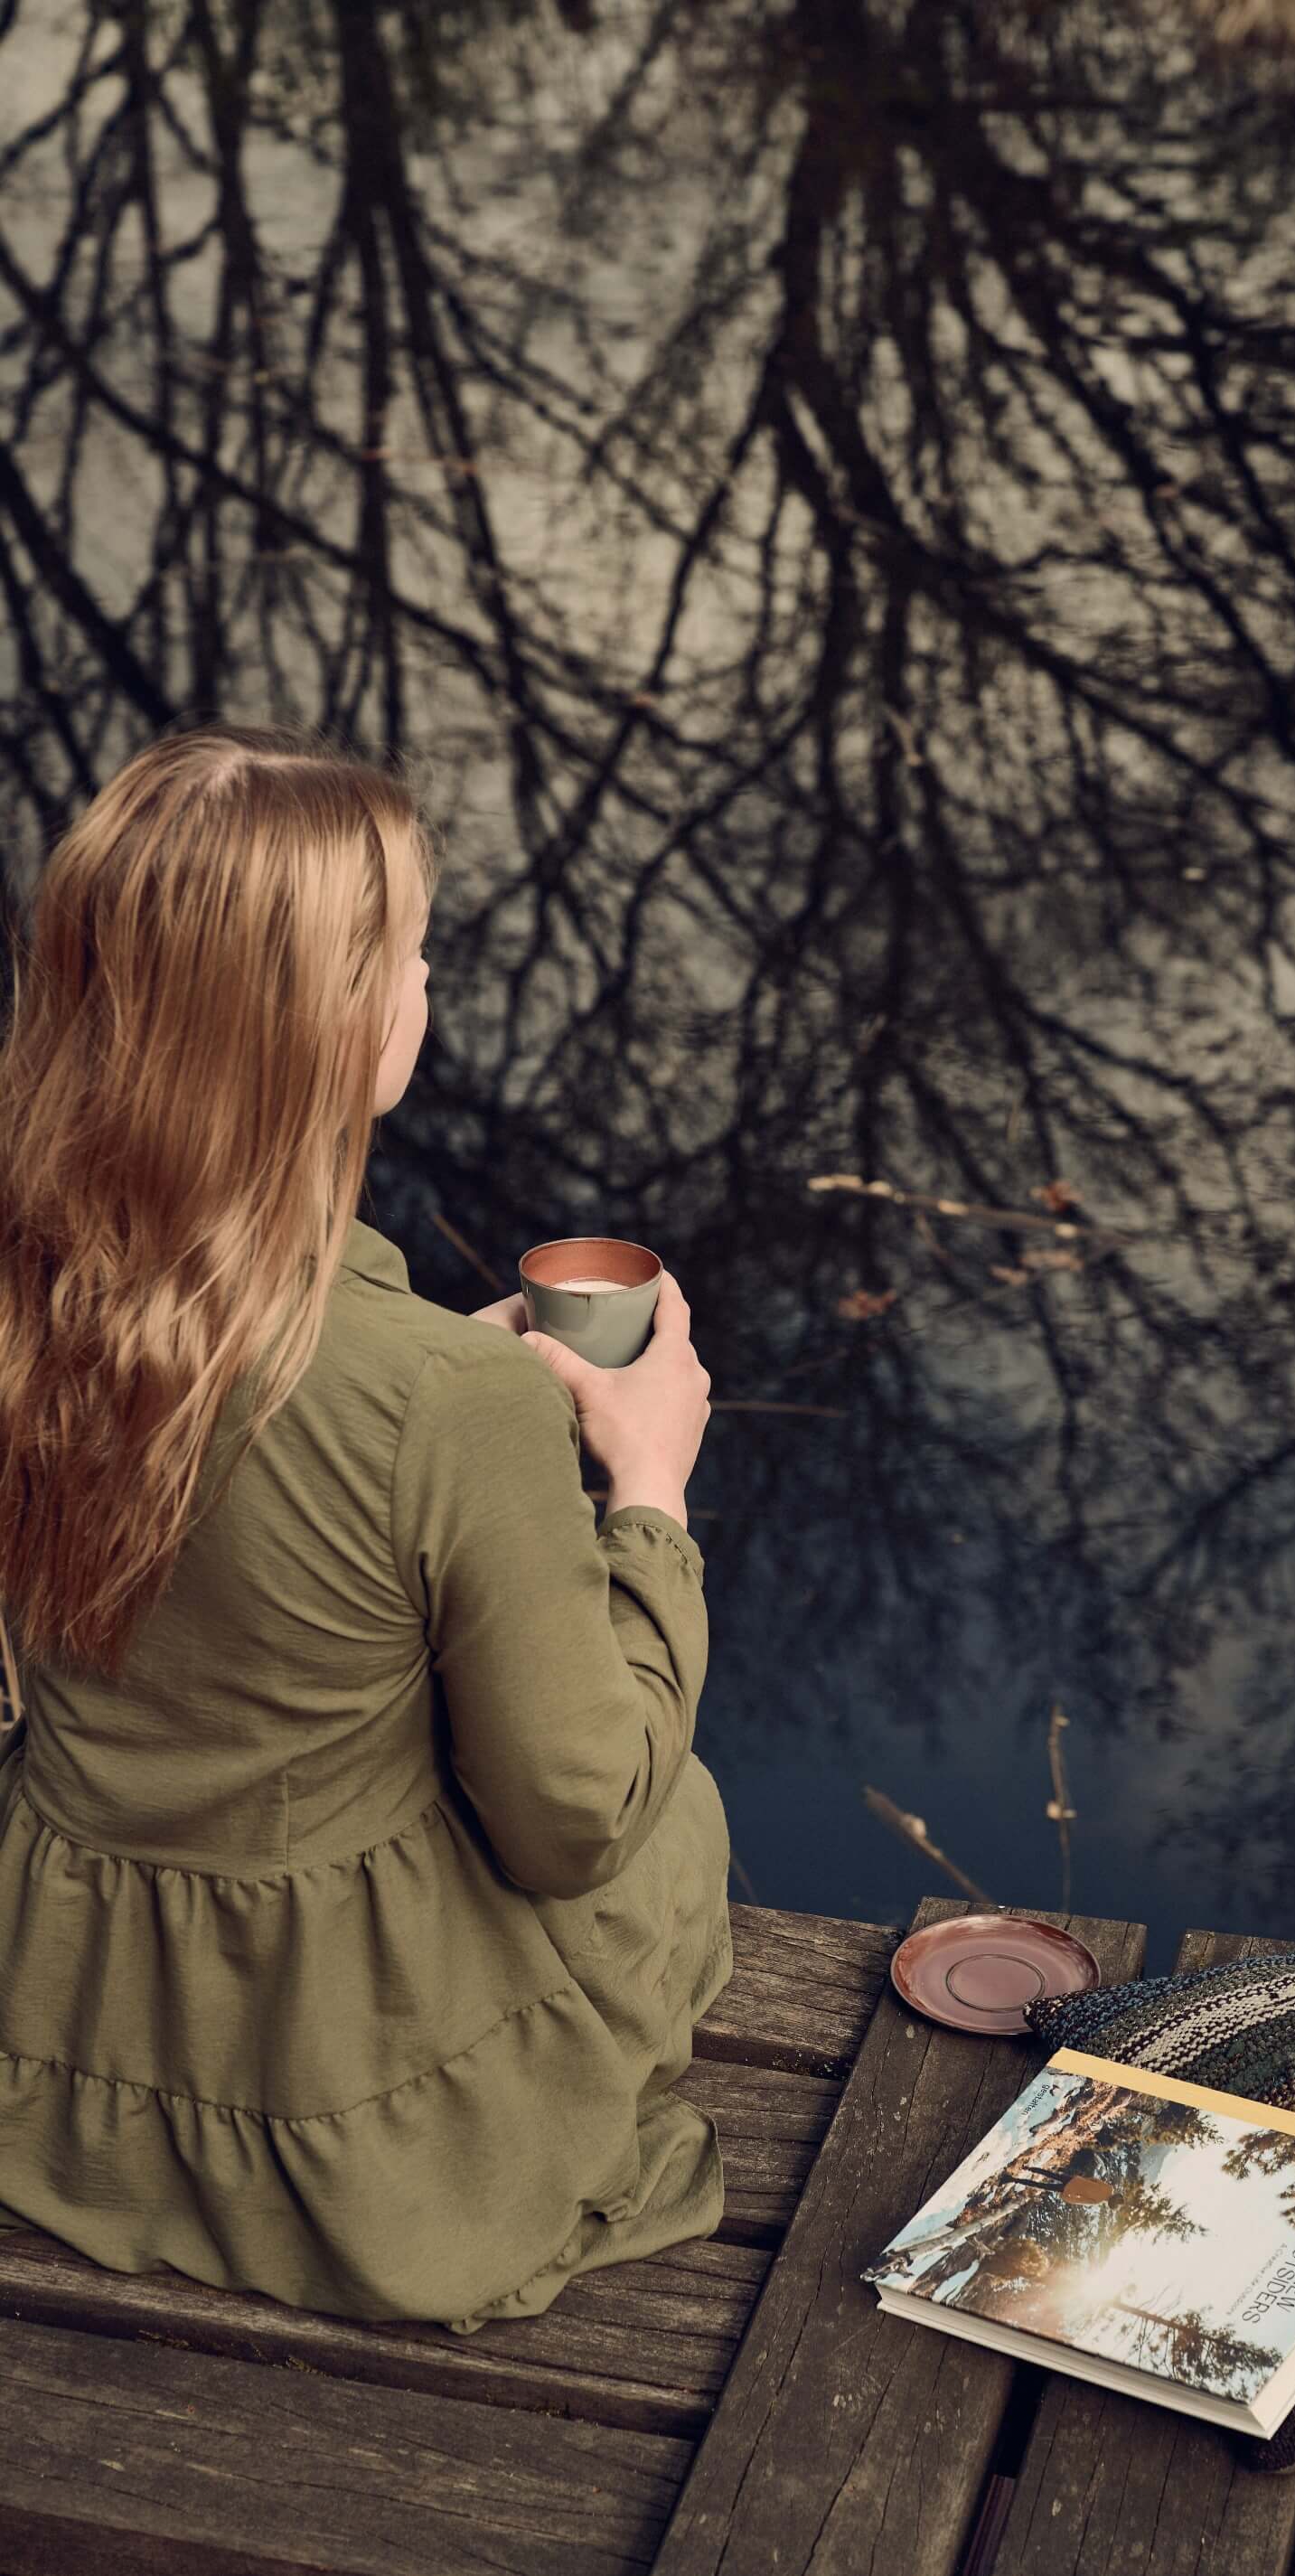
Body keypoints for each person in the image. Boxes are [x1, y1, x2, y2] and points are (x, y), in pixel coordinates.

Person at [0, 719, 732, 2335]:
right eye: (410, 954)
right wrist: (649, 1493)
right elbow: (571, 1820)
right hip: (340, 2096)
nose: (425, 990)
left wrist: (434, 1380)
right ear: (332, 1020)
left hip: (53, 2028)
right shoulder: (438, 1409)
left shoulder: (34, 1285)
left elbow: (230, 1410)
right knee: (675, 1823)